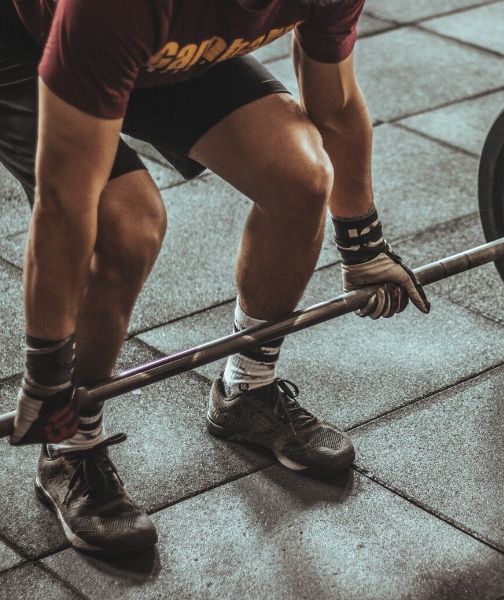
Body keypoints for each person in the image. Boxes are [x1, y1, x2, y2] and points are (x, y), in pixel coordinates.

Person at [1, 0, 430, 556]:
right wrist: (47, 373)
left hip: (161, 47)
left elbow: (337, 105)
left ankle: (245, 391)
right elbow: (64, 203)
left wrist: (363, 245)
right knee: (125, 225)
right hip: (29, 42)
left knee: (301, 175)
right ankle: (70, 447)